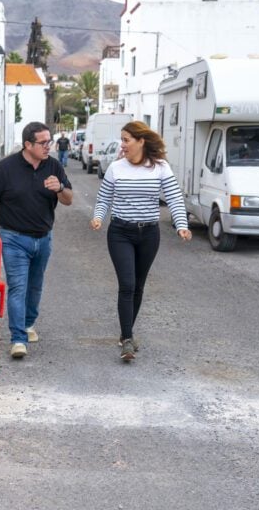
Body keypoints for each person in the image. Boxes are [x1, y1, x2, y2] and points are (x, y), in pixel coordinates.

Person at [89, 121, 192, 362]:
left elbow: (174, 198)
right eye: (122, 140)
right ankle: (127, 339)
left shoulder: (160, 167)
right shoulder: (116, 168)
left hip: (149, 234)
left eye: (126, 140)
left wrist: (182, 225)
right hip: (120, 232)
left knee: (138, 285)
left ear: (141, 141)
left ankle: (126, 332)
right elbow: (104, 198)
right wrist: (98, 217)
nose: (122, 145)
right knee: (127, 284)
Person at [0, 121, 73, 359]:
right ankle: (17, 338)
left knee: (35, 285)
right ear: (28, 145)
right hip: (13, 238)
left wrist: (60, 187)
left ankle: (28, 323)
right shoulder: (6, 168)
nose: (48, 146)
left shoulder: (53, 166)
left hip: (43, 238)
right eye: (43, 143)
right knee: (17, 287)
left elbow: (68, 199)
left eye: (49, 141)